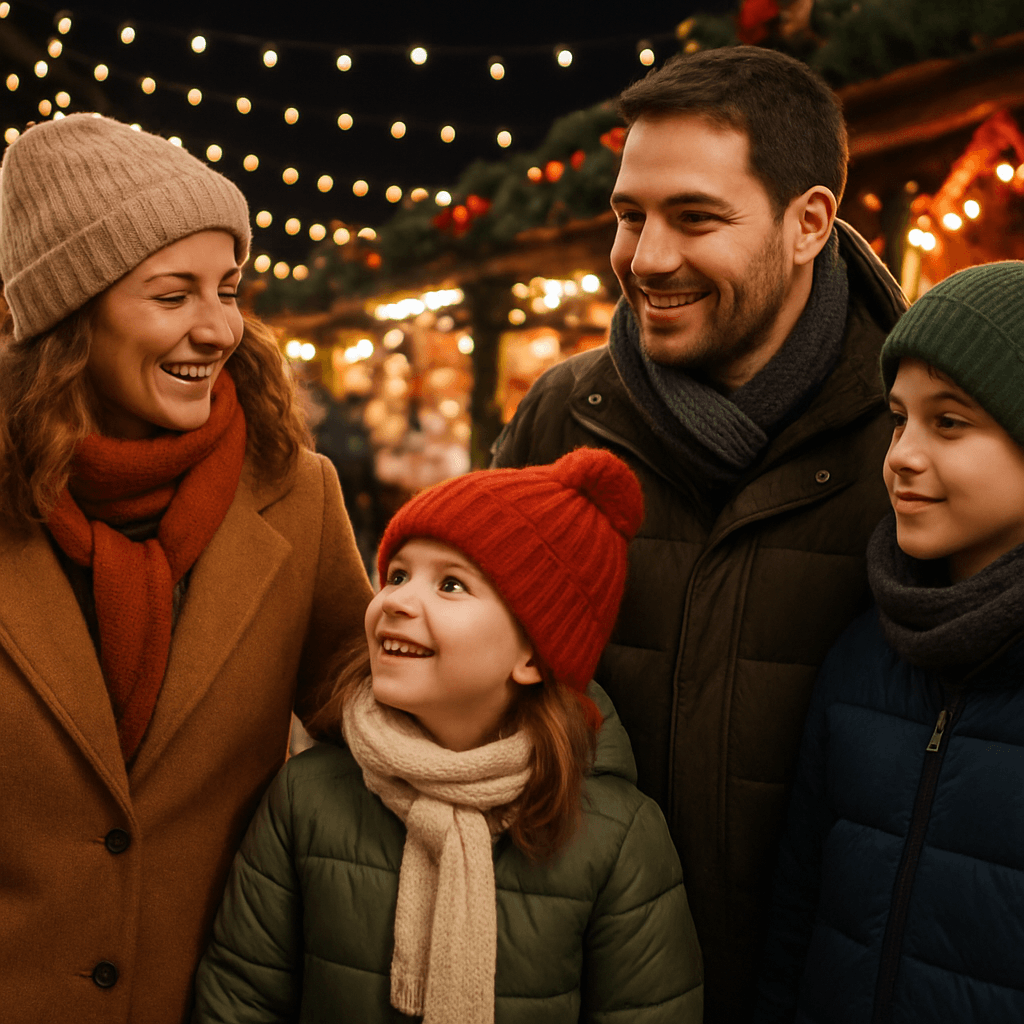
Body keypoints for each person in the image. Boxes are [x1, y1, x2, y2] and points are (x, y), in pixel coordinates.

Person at [491, 46, 908, 1022]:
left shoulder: (912, 444)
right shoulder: (559, 417)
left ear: (808, 223)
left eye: (695, 217)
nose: (645, 257)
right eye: (630, 215)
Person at [0, 114, 372, 1023]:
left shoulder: (297, 492)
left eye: (229, 289)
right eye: (174, 295)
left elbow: (361, 701)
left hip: (211, 999)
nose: (219, 329)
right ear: (69, 318)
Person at [192, 448, 704, 1023]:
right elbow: (240, 998)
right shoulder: (308, 797)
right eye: (398, 574)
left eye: (452, 585)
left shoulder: (615, 838)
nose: (397, 601)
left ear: (534, 655)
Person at [757, 261, 1024, 1023]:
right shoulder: (863, 656)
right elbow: (795, 924)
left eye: (950, 422)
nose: (902, 454)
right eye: (899, 418)